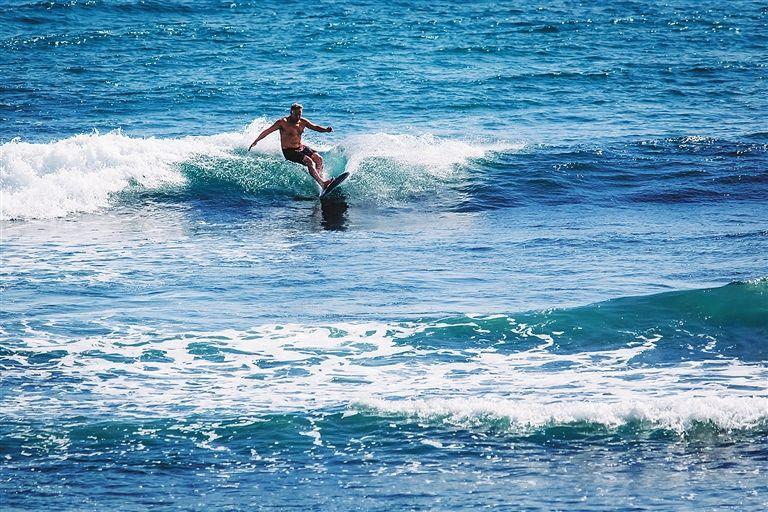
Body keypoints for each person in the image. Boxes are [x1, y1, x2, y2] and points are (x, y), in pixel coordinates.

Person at [248, 103, 334, 188]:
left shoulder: (303, 121)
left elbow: (315, 127)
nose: (298, 116)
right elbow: (268, 131)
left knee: (319, 159)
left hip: (300, 147)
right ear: (291, 112)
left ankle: (321, 181)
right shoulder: (282, 122)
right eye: (296, 114)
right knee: (309, 161)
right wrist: (256, 141)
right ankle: (322, 183)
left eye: (300, 114)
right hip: (289, 151)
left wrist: (326, 130)